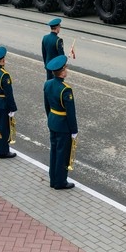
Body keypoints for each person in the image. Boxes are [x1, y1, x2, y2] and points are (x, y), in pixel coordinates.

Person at [44, 55, 78, 190]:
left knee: (54, 151)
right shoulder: (66, 89)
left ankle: (53, 179)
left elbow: (46, 105)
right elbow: (71, 113)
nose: (67, 70)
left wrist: (51, 118)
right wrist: (74, 130)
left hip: (53, 121)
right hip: (63, 125)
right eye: (66, 68)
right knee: (62, 154)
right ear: (62, 71)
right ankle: (60, 182)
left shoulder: (47, 84)